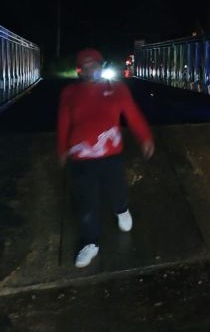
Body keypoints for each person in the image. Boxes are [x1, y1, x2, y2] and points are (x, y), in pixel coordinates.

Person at [57, 47, 155, 268]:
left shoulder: (117, 89)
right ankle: (90, 243)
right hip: (80, 159)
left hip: (111, 157)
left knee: (117, 190)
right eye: (86, 66)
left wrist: (145, 137)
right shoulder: (70, 93)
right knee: (86, 203)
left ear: (102, 66)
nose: (91, 69)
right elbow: (63, 122)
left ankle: (121, 209)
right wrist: (62, 150)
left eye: (95, 65)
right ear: (79, 70)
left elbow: (132, 115)